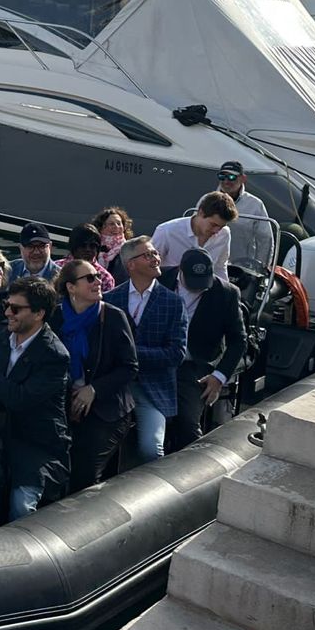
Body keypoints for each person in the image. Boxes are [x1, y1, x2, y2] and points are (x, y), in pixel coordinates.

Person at [0, 277, 71, 520]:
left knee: (21, 505)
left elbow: (19, 398)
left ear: (39, 314)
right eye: (7, 305)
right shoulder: (3, 334)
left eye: (15, 309)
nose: (7, 313)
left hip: (34, 442)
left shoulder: (54, 355)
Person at [52, 258, 138, 490]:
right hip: (65, 405)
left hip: (106, 409)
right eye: (90, 278)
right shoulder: (56, 317)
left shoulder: (113, 317)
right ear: (71, 287)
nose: (98, 281)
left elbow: (129, 367)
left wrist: (93, 389)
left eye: (98, 276)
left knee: (84, 473)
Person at [104, 237, 186, 463]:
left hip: (153, 390)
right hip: (114, 387)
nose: (156, 259)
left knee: (152, 450)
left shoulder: (173, 302)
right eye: (148, 255)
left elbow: (176, 353)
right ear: (130, 264)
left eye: (155, 254)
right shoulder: (111, 299)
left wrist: (132, 354)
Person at [168, 249, 247, 448]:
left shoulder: (227, 293)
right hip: (158, 360)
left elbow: (238, 340)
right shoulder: (161, 280)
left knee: (187, 423)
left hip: (194, 366)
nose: (197, 288)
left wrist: (219, 376)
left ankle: (190, 459)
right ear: (180, 272)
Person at [151, 191, 238, 273]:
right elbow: (149, 266)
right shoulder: (166, 231)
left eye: (222, 226)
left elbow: (220, 267)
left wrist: (223, 284)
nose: (217, 231)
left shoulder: (224, 233)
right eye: (213, 225)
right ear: (200, 212)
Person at [214, 161, 274, 273]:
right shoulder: (207, 200)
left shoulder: (255, 204)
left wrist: (260, 269)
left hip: (241, 269)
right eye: (222, 176)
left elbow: (265, 238)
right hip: (212, 265)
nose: (226, 181)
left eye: (231, 177)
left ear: (243, 179)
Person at [53, 223, 115, 292]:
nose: (88, 249)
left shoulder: (105, 278)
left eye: (92, 246)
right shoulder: (56, 268)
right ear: (73, 247)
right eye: (83, 245)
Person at [92, 206, 134, 285]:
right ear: (101, 227)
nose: (116, 227)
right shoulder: (92, 248)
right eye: (111, 224)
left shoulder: (129, 250)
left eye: (119, 223)